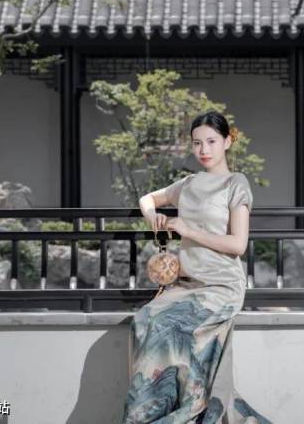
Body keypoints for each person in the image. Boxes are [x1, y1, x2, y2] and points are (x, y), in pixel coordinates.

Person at [121, 111, 273, 424]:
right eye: (197, 143)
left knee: (168, 325)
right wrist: (153, 217)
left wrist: (187, 229)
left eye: (211, 142)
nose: (203, 149)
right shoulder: (188, 184)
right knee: (144, 319)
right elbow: (148, 199)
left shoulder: (236, 183)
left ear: (227, 142)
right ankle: (147, 412)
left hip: (220, 284)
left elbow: (238, 244)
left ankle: (189, 409)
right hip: (186, 283)